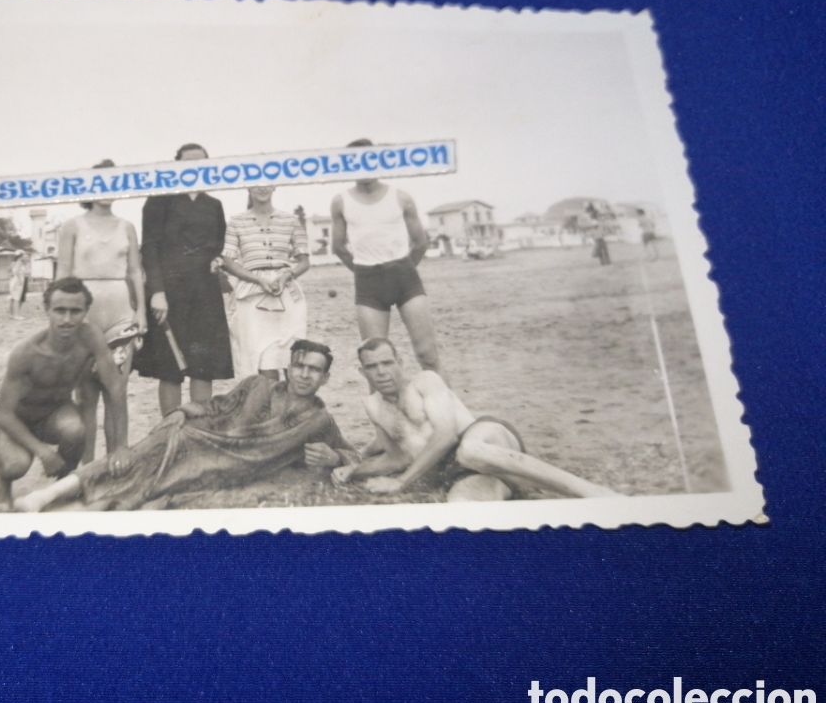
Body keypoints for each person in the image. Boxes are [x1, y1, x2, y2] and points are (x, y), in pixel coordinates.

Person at [15, 340, 357, 512]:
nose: (304, 374)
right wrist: (182, 411)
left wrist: (335, 458)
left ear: (325, 378)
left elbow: (351, 454)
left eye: (314, 370)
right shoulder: (259, 385)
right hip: (203, 440)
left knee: (160, 479)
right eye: (299, 366)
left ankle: (85, 502)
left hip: (230, 468)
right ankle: (48, 494)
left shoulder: (318, 420)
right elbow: (217, 405)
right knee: (145, 451)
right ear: (288, 368)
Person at [332, 337, 620, 500]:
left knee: (470, 451)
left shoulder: (425, 381)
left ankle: (591, 492)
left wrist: (403, 482)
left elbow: (446, 436)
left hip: (485, 438)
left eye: (387, 363)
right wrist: (355, 471)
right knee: (461, 508)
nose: (382, 372)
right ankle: (513, 488)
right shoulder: (373, 407)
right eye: (372, 367)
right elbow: (396, 458)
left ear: (400, 363)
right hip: (461, 471)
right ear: (363, 373)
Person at [0, 277, 129, 511]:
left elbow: (115, 388)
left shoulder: (90, 337)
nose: (67, 319)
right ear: (47, 310)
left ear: (86, 311)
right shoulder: (26, 353)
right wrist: (43, 452)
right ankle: (3, 487)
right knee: (15, 466)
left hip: (54, 412)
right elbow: (3, 414)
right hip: (18, 418)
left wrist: (121, 447)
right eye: (60, 311)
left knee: (76, 429)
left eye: (75, 311)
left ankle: (62, 487)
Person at [56, 159, 147, 461]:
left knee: (117, 393)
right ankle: (86, 472)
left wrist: (142, 313)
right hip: (85, 315)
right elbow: (63, 275)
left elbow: (135, 272)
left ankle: (117, 463)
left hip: (121, 314)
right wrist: (63, 321)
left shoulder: (127, 227)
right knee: (86, 398)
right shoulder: (72, 226)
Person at [134, 142, 234, 415]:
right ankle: (171, 431)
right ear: (176, 165)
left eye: (200, 162)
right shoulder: (159, 199)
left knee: (204, 365)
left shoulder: (214, 205)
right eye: (187, 162)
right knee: (170, 368)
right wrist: (156, 291)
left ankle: (199, 431)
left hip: (205, 290)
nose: (194, 167)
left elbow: (217, 246)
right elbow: (149, 247)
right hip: (169, 290)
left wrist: (216, 260)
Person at [330, 139, 441, 372]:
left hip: (405, 279)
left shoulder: (400, 197)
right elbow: (338, 247)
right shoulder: (341, 202)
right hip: (368, 284)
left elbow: (420, 243)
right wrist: (365, 270)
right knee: (374, 362)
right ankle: (387, 409)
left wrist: (402, 271)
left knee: (427, 355)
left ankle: (445, 407)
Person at [220, 186, 310, 379]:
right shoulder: (236, 222)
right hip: (251, 292)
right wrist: (258, 280)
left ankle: (291, 407)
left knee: (291, 355)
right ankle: (267, 407)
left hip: (287, 294)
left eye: (267, 182)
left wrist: (286, 276)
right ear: (248, 187)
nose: (262, 188)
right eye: (256, 183)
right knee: (260, 359)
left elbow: (304, 262)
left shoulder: (291, 220)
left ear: (275, 186)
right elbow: (228, 262)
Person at [7, 249, 31, 319]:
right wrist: (20, 280)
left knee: (14, 297)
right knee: (17, 298)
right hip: (18, 280)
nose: (26, 257)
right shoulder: (19, 262)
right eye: (24, 255)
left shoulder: (17, 262)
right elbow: (16, 271)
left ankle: (13, 314)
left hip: (16, 280)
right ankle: (16, 315)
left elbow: (12, 271)